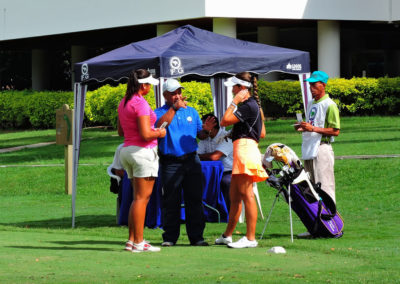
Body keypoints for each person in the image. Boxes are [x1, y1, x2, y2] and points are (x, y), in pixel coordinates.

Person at [154, 78, 216, 247]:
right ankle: (170, 237)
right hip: (170, 162)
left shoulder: (192, 112)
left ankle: (197, 237)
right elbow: (160, 126)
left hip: (191, 160)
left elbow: (200, 135)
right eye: (174, 93)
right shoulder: (159, 112)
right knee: (170, 200)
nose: (178, 96)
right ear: (166, 95)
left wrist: (206, 130)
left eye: (179, 92)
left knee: (194, 199)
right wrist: (174, 109)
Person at [215, 72, 269, 248]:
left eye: (234, 87)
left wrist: (234, 102)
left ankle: (250, 238)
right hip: (243, 149)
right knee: (235, 196)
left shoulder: (246, 105)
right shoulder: (251, 105)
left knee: (247, 195)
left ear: (241, 88)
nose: (232, 89)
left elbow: (223, 121)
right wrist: (239, 130)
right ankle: (227, 235)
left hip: (245, 151)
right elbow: (261, 133)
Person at [117, 69, 166, 252]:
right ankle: (139, 242)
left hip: (127, 151)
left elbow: (121, 131)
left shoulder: (124, 102)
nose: (150, 88)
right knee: (141, 199)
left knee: (136, 199)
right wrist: (159, 132)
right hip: (143, 152)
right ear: (143, 85)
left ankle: (131, 241)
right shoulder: (141, 104)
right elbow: (146, 134)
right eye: (149, 85)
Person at [295, 70, 340, 205]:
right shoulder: (311, 104)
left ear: (323, 85)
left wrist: (313, 128)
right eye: (310, 85)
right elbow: (312, 125)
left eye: (315, 85)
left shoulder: (330, 105)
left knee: (325, 188)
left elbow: (335, 131)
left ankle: (331, 221)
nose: (311, 88)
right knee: (311, 188)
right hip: (309, 148)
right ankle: (317, 221)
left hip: (322, 149)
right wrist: (304, 127)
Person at [197, 113, 234, 212]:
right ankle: (204, 212)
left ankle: (227, 213)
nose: (201, 128)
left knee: (225, 182)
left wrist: (200, 156)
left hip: (228, 171)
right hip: (210, 172)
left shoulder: (227, 137)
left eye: (204, 125)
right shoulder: (205, 138)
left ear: (212, 125)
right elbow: (195, 155)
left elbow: (214, 157)